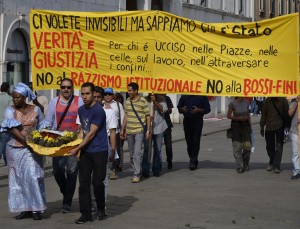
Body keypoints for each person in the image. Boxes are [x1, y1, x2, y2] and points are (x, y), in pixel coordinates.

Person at [0, 82, 46, 220]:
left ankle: (36, 208)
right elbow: (12, 129)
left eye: (18, 97)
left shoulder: (36, 109)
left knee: (33, 176)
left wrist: (42, 140)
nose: (15, 100)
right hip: (15, 148)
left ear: (24, 97)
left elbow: (42, 124)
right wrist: (26, 142)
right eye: (14, 97)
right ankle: (25, 208)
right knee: (18, 179)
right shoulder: (10, 110)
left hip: (32, 149)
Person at [68, 82, 108, 224]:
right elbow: (81, 131)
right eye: (82, 94)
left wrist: (76, 149)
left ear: (93, 95)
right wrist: (79, 148)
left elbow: (90, 134)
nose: (84, 97)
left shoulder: (98, 111)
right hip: (85, 151)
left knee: (97, 183)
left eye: (87, 94)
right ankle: (85, 214)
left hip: (99, 151)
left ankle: (101, 207)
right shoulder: (81, 110)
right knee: (84, 183)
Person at [44, 78, 84, 213]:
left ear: (72, 88)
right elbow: (48, 122)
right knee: (57, 170)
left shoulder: (79, 101)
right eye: (63, 87)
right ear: (60, 88)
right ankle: (67, 190)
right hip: (58, 142)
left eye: (68, 87)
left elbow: (83, 120)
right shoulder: (54, 102)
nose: (66, 89)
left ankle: (67, 202)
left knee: (72, 171)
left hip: (74, 141)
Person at [120, 82, 150, 183]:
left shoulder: (143, 101)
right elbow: (126, 115)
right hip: (129, 131)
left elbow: (148, 116)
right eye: (128, 90)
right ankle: (137, 171)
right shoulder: (127, 101)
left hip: (139, 130)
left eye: (130, 90)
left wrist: (148, 130)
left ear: (136, 91)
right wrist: (123, 128)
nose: (128, 92)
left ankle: (137, 174)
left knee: (137, 153)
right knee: (132, 153)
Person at [177, 95, 211, 170]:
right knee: (189, 142)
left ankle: (193, 161)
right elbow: (179, 108)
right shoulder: (184, 96)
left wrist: (198, 110)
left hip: (197, 121)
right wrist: (183, 109)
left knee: (196, 141)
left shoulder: (202, 96)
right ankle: (193, 158)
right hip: (187, 120)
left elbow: (207, 109)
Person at [260, 97, 289, 173]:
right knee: (269, 147)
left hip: (280, 126)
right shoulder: (267, 100)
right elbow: (264, 113)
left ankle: (277, 165)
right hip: (269, 126)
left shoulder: (283, 100)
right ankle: (272, 161)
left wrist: (286, 126)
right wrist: (262, 126)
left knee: (279, 146)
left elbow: (286, 113)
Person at [142, 93, 168, 177]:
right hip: (147, 128)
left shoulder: (161, 99)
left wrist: (155, 101)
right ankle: (145, 169)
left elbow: (163, 109)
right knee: (147, 149)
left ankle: (156, 169)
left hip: (159, 127)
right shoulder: (144, 100)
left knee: (158, 149)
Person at [103, 88, 125, 179]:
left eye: (109, 94)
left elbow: (123, 117)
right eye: (106, 94)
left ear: (112, 95)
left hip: (115, 131)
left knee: (115, 151)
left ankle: (113, 170)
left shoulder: (118, 105)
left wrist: (123, 130)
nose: (107, 96)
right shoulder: (100, 104)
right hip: (103, 132)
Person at [227, 97, 252, 173]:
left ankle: (245, 163)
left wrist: (250, 126)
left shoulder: (246, 102)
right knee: (237, 147)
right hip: (236, 126)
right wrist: (238, 118)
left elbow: (248, 114)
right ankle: (240, 166)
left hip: (245, 126)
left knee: (247, 147)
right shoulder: (232, 103)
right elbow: (228, 116)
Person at [0, 82, 12, 165]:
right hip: (4, 124)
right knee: (4, 142)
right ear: (7, 89)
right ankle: (5, 160)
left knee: (3, 142)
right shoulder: (9, 98)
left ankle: (6, 160)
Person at [288, 96, 300, 179]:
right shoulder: (293, 103)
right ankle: (297, 170)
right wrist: (296, 102)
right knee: (296, 152)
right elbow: (290, 113)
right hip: (295, 130)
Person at [161, 94, 174, 169]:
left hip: (167, 124)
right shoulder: (154, 98)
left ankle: (169, 160)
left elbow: (170, 110)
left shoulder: (167, 98)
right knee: (157, 146)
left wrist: (163, 108)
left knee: (168, 145)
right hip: (156, 125)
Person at [114, 92, 125, 170]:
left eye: (120, 99)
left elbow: (123, 119)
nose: (119, 100)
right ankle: (114, 163)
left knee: (120, 147)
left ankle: (120, 163)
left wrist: (123, 130)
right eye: (117, 99)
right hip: (112, 131)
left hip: (120, 130)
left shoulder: (121, 106)